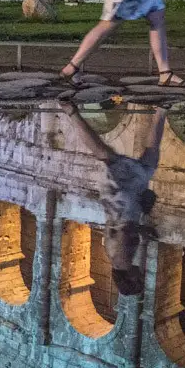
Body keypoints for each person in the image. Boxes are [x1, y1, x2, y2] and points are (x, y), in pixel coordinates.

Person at [60, 100, 165, 297]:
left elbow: (125, 231)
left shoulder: (123, 261)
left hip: (124, 206)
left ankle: (71, 111)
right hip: (117, 205)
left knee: (114, 156)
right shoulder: (114, 260)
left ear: (129, 279)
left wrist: (144, 227)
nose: (142, 275)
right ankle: (161, 110)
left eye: (139, 280)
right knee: (138, 159)